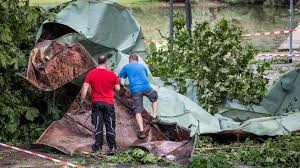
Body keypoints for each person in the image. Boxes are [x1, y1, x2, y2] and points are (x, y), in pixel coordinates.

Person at [80, 55, 120, 153]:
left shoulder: (91, 73)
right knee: (110, 124)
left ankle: (98, 147)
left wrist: (82, 99)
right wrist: (112, 88)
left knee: (98, 124)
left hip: (96, 103)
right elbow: (118, 88)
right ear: (106, 62)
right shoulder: (112, 74)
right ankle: (112, 147)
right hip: (109, 103)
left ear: (98, 62)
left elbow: (85, 87)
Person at [118, 53, 159, 139]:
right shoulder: (142, 66)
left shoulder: (127, 66)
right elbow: (146, 77)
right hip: (146, 87)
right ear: (137, 60)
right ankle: (154, 116)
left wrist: (118, 88)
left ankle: (142, 131)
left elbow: (119, 77)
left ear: (130, 60)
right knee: (155, 98)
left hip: (136, 90)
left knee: (138, 111)